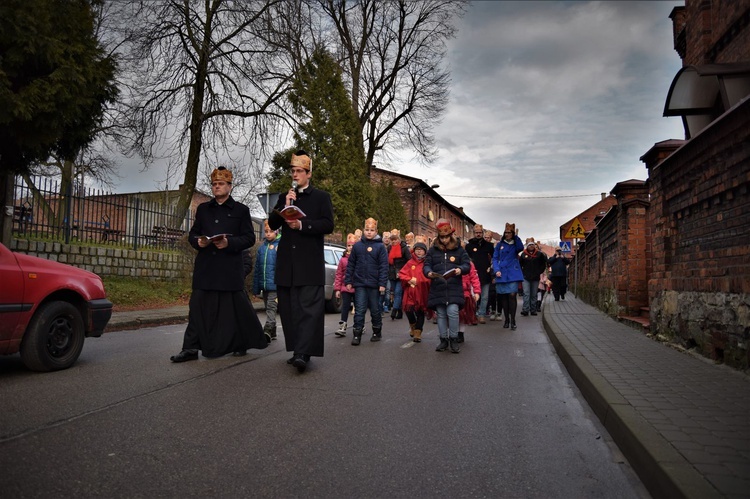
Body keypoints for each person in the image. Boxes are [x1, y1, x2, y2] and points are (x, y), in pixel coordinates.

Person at [170, 166, 268, 362]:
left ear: (229, 186)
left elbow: (249, 238)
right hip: (206, 268)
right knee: (197, 308)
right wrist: (198, 241)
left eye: (221, 184)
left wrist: (228, 243)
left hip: (229, 269)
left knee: (233, 310)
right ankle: (190, 348)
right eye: (214, 184)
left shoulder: (241, 210)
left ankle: (240, 343)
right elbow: (193, 234)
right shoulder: (204, 209)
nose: (216, 187)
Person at [268, 150, 334, 373]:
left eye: (298, 171)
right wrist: (285, 205)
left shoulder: (321, 197)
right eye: (293, 171)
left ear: (308, 173)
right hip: (288, 264)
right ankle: (296, 349)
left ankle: (303, 354)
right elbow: (273, 223)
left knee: (308, 310)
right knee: (289, 310)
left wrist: (303, 226)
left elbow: (328, 224)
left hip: (309, 263)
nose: (294, 175)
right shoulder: (285, 196)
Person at [424, 218, 471, 353]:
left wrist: (460, 269)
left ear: (450, 235)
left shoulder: (459, 250)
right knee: (441, 314)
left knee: (453, 312)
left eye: (446, 237)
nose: (444, 240)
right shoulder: (433, 250)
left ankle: (454, 339)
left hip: (453, 287)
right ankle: (443, 340)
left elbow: (467, 264)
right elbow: (427, 265)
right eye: (442, 237)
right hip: (438, 286)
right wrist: (428, 273)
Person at [345, 217, 388, 345]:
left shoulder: (380, 247)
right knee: (359, 309)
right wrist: (348, 280)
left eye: (372, 230)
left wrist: (382, 283)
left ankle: (376, 331)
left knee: (375, 309)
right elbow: (351, 264)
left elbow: (384, 266)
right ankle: (357, 334)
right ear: (363, 230)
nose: (369, 232)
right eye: (367, 229)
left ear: (376, 231)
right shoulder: (357, 246)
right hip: (360, 283)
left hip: (374, 285)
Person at [492, 222, 524, 330]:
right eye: (506, 232)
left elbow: (521, 248)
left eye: (509, 233)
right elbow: (495, 258)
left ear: (513, 233)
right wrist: (496, 270)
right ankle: (506, 319)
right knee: (504, 297)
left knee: (512, 295)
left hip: (513, 273)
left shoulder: (515, 244)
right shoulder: (499, 245)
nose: (507, 234)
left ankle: (513, 320)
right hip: (501, 273)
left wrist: (516, 236)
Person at [252, 220, 280, 340]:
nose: (268, 234)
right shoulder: (262, 248)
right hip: (264, 284)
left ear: (276, 231)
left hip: (274, 284)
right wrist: (256, 286)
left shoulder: (280, 245)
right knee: (266, 306)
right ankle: (273, 330)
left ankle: (268, 329)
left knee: (271, 307)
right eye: (266, 231)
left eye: (271, 231)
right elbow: (257, 268)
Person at [398, 240, 431, 342]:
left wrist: (421, 281)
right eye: (417, 250)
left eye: (421, 250)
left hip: (421, 292)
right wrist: (409, 280)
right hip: (410, 291)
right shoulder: (410, 262)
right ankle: (413, 324)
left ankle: (418, 332)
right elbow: (402, 273)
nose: (419, 252)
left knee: (420, 311)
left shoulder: (427, 263)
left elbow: (429, 276)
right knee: (408, 309)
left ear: (425, 251)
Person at [464, 224, 494, 324]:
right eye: (476, 233)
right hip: (473, 275)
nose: (478, 234)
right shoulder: (469, 246)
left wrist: (491, 267)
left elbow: (494, 258)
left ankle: (481, 314)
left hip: (485, 274)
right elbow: (465, 259)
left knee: (485, 296)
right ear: (474, 233)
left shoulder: (489, 246)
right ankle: (473, 314)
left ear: (482, 233)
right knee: (473, 296)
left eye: (480, 233)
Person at [334, 233, 357, 337]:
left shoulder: (359, 259)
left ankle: (359, 324)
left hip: (357, 287)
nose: (350, 247)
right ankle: (343, 325)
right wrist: (337, 289)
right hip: (345, 287)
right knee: (345, 307)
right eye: (349, 245)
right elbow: (338, 275)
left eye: (353, 245)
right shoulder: (343, 260)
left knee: (359, 307)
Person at [519, 237, 548, 317]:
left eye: (532, 245)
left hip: (535, 277)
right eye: (529, 245)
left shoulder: (539, 254)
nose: (531, 246)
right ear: (527, 246)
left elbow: (543, 264)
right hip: (526, 277)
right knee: (526, 293)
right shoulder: (524, 254)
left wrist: (539, 271)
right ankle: (525, 309)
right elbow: (520, 265)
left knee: (534, 294)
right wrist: (522, 273)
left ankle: (533, 309)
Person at [388, 229, 411, 320]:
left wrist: (404, 271)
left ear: (399, 239)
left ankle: (394, 310)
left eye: (395, 239)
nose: (394, 241)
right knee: (394, 292)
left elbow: (409, 261)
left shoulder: (404, 248)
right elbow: (387, 261)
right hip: (392, 273)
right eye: (392, 240)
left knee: (398, 292)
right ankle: (400, 311)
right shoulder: (389, 248)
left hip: (401, 274)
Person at [457, 260, 481, 343]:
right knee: (451, 314)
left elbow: (474, 277)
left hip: (465, 293)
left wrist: (476, 292)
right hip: (451, 292)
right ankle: (451, 334)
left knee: (463, 315)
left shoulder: (468, 263)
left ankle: (460, 333)